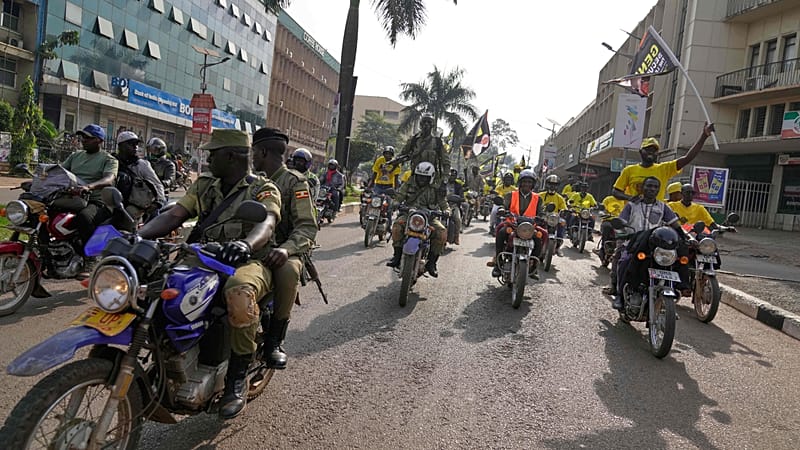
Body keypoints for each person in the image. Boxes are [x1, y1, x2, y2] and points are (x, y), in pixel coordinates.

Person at [138, 129, 281, 419]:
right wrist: (137, 236)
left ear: (230, 156)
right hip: (203, 256)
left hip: (249, 261)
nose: (207, 158)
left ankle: (235, 380)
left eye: (212, 154)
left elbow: (266, 223)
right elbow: (175, 214)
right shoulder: (204, 184)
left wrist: (245, 244)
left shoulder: (263, 188)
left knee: (239, 293)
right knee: (154, 289)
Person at [251, 128, 317, 369]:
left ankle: (274, 340)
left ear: (264, 151)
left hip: (283, 248)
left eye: (255, 152)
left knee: (287, 272)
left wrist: (286, 250)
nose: (252, 157)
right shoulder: (251, 180)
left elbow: (307, 226)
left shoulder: (294, 182)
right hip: (252, 245)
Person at [611, 176, 689, 310]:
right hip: (633, 243)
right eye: (649, 186)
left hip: (655, 246)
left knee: (680, 257)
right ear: (642, 188)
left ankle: (681, 287)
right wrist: (620, 231)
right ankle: (620, 296)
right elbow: (621, 222)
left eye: (655, 187)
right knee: (624, 262)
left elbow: (675, 224)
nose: (652, 189)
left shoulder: (663, 207)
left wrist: (686, 238)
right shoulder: (632, 205)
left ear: (659, 190)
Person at [612, 122, 715, 203]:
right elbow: (616, 191)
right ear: (640, 151)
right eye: (647, 149)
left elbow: (687, 158)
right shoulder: (629, 170)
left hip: (656, 215)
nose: (651, 152)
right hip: (633, 214)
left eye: (654, 150)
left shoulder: (663, 169)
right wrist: (631, 198)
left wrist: (704, 136)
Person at [62, 124, 119, 255]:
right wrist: (35, 181)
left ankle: (90, 257)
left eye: (87, 137)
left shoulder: (109, 159)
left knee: (84, 218)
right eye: (82, 137)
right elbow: (60, 171)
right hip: (73, 198)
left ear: (99, 140)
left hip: (96, 201)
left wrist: (89, 187)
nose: (83, 140)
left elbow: (109, 179)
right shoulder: (75, 156)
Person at [386, 161, 449, 277]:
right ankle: (397, 255)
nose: (421, 180)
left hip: (429, 217)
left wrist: (446, 211)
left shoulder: (436, 188)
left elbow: (443, 202)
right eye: (419, 176)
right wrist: (395, 203)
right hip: (409, 213)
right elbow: (400, 196)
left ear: (430, 177)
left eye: (425, 178)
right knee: (397, 227)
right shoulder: (409, 184)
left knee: (441, 232)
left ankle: (432, 263)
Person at [488, 169, 543, 279]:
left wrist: (543, 217)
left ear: (533, 184)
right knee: (501, 232)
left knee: (539, 238)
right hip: (512, 224)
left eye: (529, 182)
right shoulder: (510, 195)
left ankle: (533, 266)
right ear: (520, 183)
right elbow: (504, 205)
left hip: (528, 227)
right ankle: (498, 264)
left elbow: (541, 211)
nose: (527, 184)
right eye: (524, 181)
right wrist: (502, 210)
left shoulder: (538, 198)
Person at [114, 131, 166, 227]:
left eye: (136, 144)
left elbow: (157, 184)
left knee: (128, 216)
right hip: (113, 201)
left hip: (134, 203)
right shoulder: (112, 161)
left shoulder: (142, 164)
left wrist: (159, 201)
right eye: (130, 144)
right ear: (120, 146)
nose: (135, 147)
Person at [397, 113, 450, 185]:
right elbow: (402, 154)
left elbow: (446, 162)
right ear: (421, 124)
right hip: (415, 179)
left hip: (432, 180)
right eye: (424, 122)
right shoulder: (414, 140)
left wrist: (445, 178)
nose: (426, 124)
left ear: (432, 125)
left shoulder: (437, 142)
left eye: (429, 122)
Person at [539, 174, 567, 257]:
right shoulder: (540, 195)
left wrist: (564, 211)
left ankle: (558, 245)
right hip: (542, 217)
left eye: (554, 185)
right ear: (547, 184)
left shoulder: (560, 198)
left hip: (554, 218)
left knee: (562, 222)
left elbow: (563, 208)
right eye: (550, 184)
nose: (552, 186)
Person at [444, 169, 464, 245]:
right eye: (450, 175)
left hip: (453, 206)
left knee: (458, 219)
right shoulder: (444, 184)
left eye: (453, 176)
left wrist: (460, 199)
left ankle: (456, 237)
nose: (452, 177)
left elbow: (461, 196)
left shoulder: (458, 185)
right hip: (442, 205)